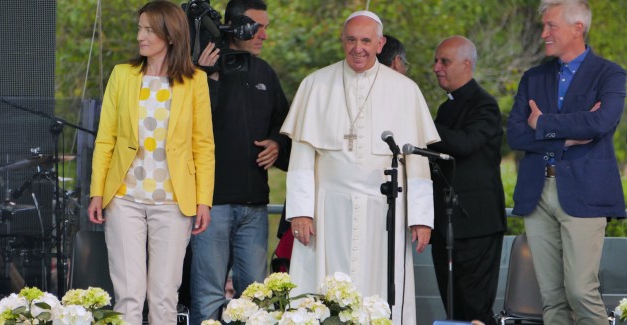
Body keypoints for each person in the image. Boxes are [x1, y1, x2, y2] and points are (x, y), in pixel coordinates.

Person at [281, 10, 439, 324]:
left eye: (366, 41)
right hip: (328, 210)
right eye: (351, 40)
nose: (358, 48)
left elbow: (416, 162)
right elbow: (300, 157)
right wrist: (300, 211)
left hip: (384, 210)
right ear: (342, 41)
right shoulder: (316, 84)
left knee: (380, 288)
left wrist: (421, 217)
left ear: (380, 44)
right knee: (322, 289)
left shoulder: (405, 91)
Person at [87, 1, 214, 323]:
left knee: (163, 298)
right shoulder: (122, 75)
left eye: (148, 30)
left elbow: (203, 145)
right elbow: (106, 139)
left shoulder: (195, 80)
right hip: (124, 199)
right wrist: (97, 192)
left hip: (173, 202)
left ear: (170, 35)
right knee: (127, 296)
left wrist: (204, 200)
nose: (140, 36)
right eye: (139, 28)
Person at [507, 1, 626, 324]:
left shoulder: (611, 74)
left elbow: (600, 123)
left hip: (586, 194)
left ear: (578, 28)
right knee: (552, 299)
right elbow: (515, 134)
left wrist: (543, 124)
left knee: (579, 291)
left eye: (551, 26)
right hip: (537, 193)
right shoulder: (533, 77)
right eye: (543, 26)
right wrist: (567, 137)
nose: (543, 33)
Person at [189, 0, 291, 323]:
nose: (263, 35)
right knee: (208, 294)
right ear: (234, 26)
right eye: (256, 27)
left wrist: (277, 143)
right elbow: (185, 124)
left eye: (266, 27)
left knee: (256, 295)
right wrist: (203, 76)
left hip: (255, 206)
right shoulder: (201, 67)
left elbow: (286, 126)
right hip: (210, 204)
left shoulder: (265, 73)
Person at [428, 36, 506, 325]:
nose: (436, 67)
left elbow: (465, 144)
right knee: (453, 310)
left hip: (476, 224)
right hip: (446, 224)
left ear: (466, 64)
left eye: (443, 61)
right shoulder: (445, 109)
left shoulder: (484, 105)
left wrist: (421, 123)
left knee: (476, 311)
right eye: (435, 61)